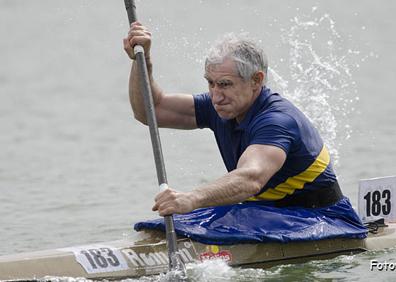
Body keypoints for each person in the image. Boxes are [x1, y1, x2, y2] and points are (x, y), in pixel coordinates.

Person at [123, 22, 348, 218]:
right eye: (210, 83)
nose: (216, 95)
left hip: (318, 217)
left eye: (225, 84)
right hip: (262, 213)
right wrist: (143, 61)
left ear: (256, 80)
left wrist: (191, 199)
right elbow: (150, 110)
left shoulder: (277, 121)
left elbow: (250, 178)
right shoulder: (220, 105)